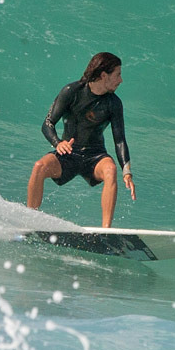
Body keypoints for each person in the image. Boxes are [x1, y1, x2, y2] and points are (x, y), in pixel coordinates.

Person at [27, 52, 135, 227]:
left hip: (95, 156)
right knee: (39, 166)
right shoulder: (71, 92)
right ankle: (29, 220)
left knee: (110, 170)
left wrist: (127, 171)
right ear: (103, 75)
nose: (121, 80)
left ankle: (106, 232)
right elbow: (47, 124)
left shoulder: (114, 103)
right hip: (68, 153)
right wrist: (57, 143)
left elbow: (120, 140)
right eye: (118, 75)